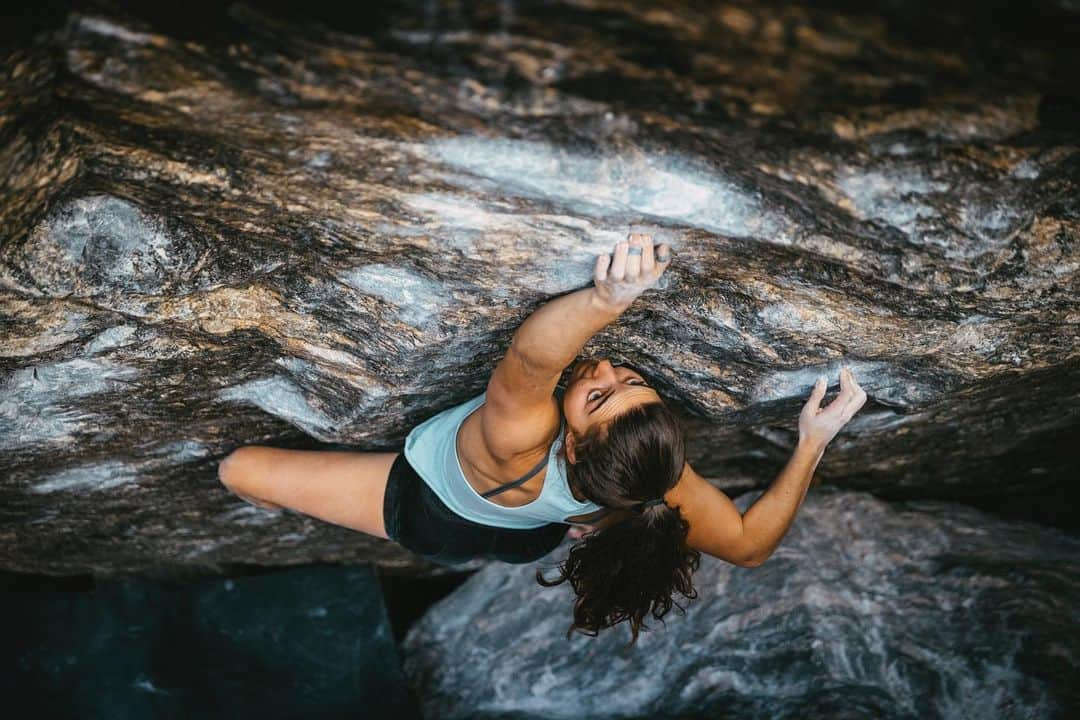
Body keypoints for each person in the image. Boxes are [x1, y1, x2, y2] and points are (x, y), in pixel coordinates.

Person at [218, 232, 867, 644]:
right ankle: (492, 550)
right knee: (508, 541)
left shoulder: (517, 439)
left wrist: (607, 300)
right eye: (630, 379)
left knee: (239, 471)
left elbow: (531, 362)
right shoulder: (643, 477)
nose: (607, 369)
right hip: (533, 537)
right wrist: (814, 439)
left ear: (571, 446)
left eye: (597, 396)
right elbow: (749, 547)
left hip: (424, 512)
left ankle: (288, 508)